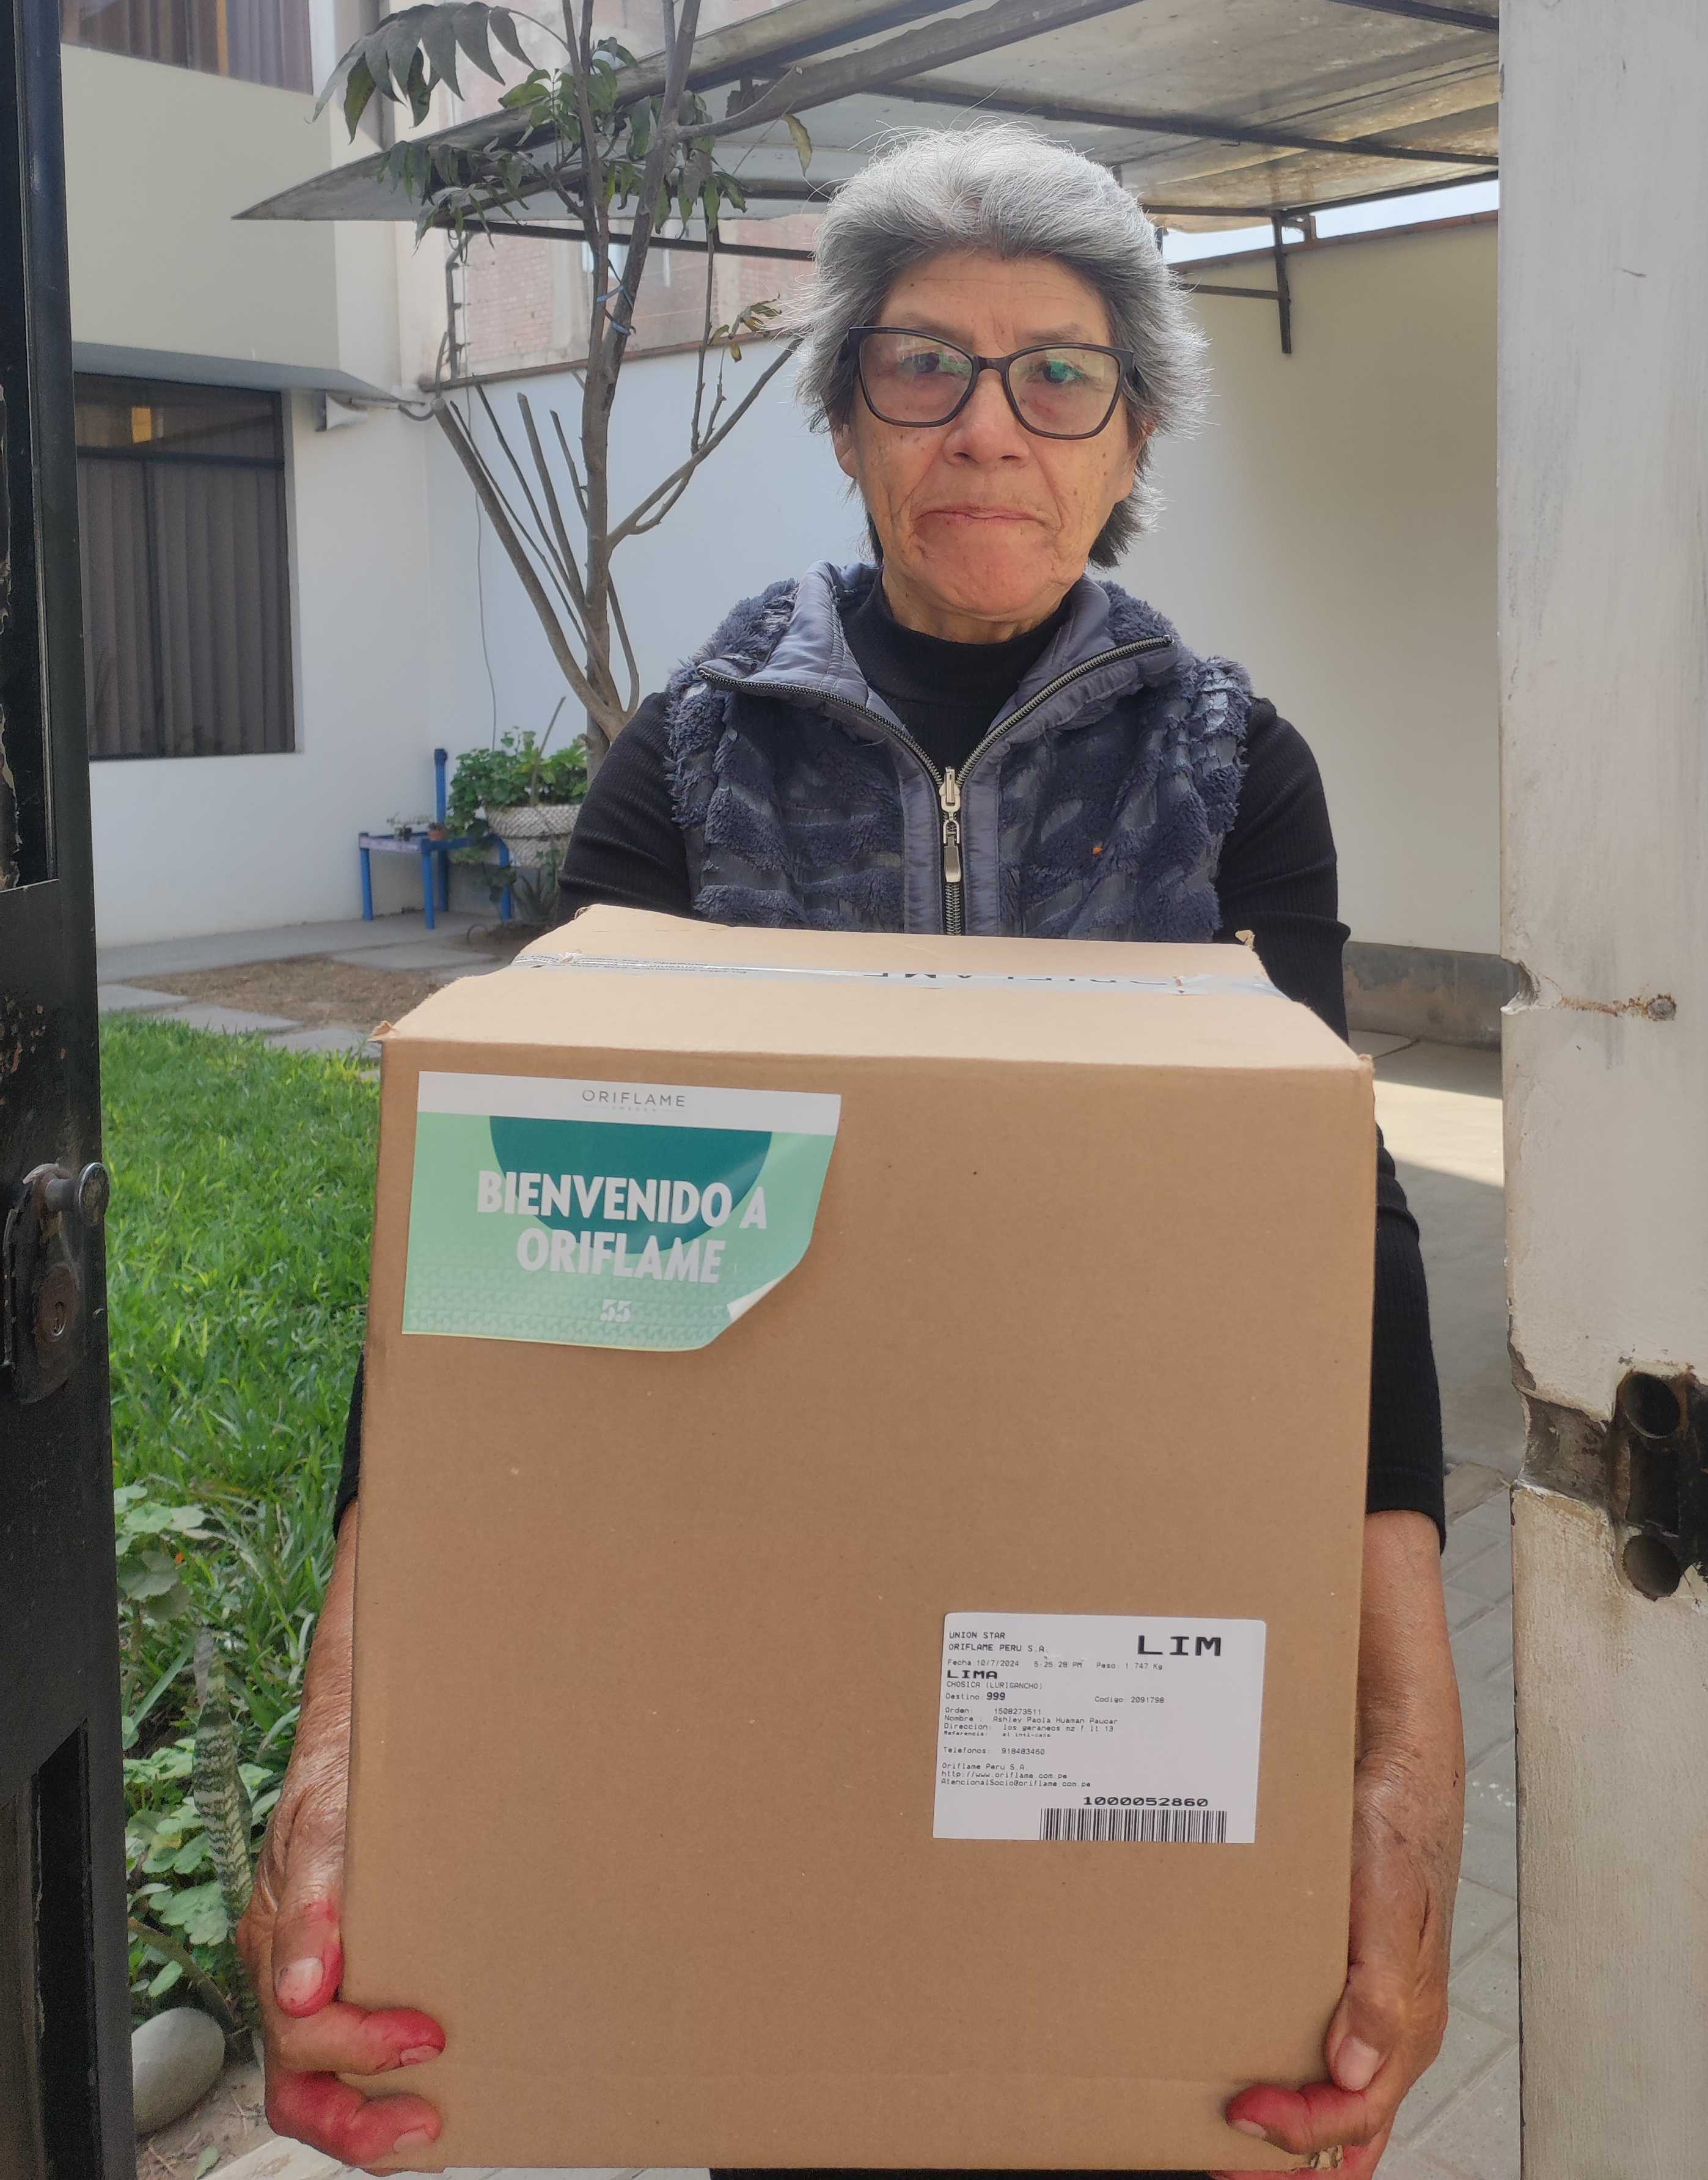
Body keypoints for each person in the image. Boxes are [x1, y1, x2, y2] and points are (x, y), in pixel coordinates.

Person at [238, 129, 1467, 2178]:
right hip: (761, 1619)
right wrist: (346, 1766)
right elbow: (503, 1236)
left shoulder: (1233, 768)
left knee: (1140, 2083)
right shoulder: (695, 757)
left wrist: (1406, 1787)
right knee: (797, 2086)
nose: (989, 426)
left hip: (1119, 1619)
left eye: (1057, 375)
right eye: (924, 365)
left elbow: (1350, 1239)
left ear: (1130, 434)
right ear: (842, 414)